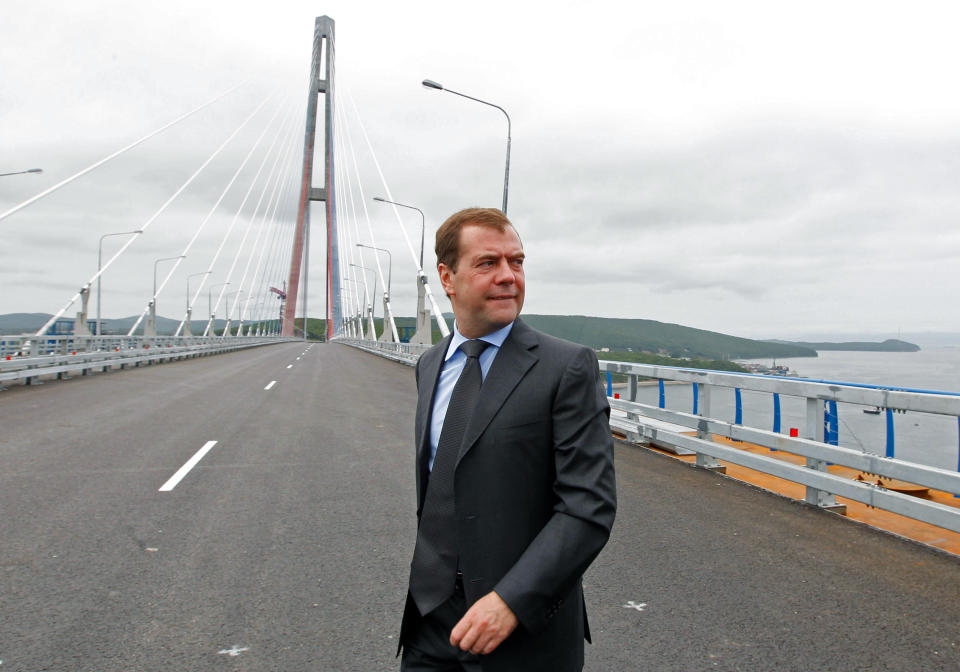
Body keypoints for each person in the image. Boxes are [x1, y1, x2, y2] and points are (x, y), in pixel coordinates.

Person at [398, 207, 617, 671]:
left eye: (516, 262)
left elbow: (587, 507)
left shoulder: (566, 368)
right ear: (447, 277)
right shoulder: (430, 366)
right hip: (430, 623)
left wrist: (511, 602)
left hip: (519, 633)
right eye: (487, 263)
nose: (508, 277)